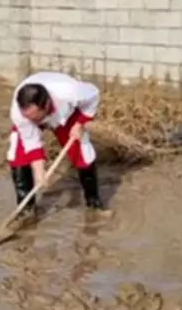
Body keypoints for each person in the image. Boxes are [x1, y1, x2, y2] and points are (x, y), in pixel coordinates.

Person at [7, 71, 107, 218]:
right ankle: (26, 212)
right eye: (28, 117)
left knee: (83, 153)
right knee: (17, 155)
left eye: (35, 117)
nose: (32, 121)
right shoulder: (20, 113)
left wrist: (80, 123)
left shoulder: (70, 92)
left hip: (64, 115)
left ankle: (94, 205)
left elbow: (94, 95)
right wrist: (40, 174)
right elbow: (31, 142)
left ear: (46, 105)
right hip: (38, 117)